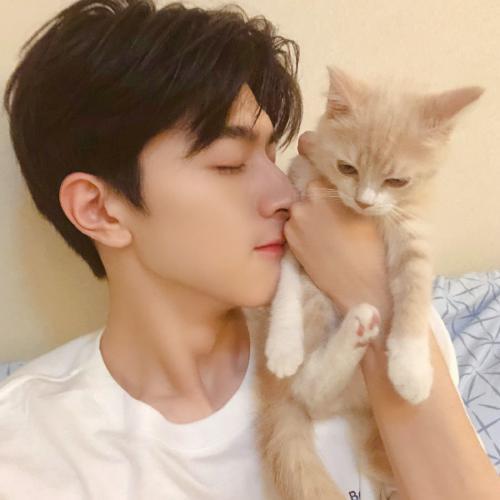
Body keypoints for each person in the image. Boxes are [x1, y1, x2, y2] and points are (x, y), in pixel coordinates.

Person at [0, 1, 497, 499]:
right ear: (99, 210)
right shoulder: (27, 449)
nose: (286, 192)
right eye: (230, 163)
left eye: (272, 155)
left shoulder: (392, 327)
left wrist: (374, 295)